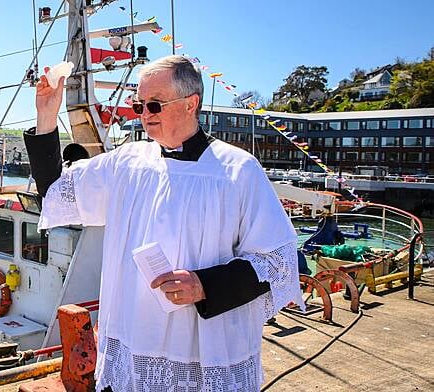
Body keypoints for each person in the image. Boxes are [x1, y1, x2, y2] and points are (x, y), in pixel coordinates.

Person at [23, 55, 302, 391]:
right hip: (132, 348)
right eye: (138, 104)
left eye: (153, 105)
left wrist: (203, 285)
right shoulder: (127, 162)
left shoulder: (237, 170)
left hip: (203, 355)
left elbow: (278, 263)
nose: (142, 115)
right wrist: (46, 114)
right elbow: (56, 191)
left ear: (190, 104)